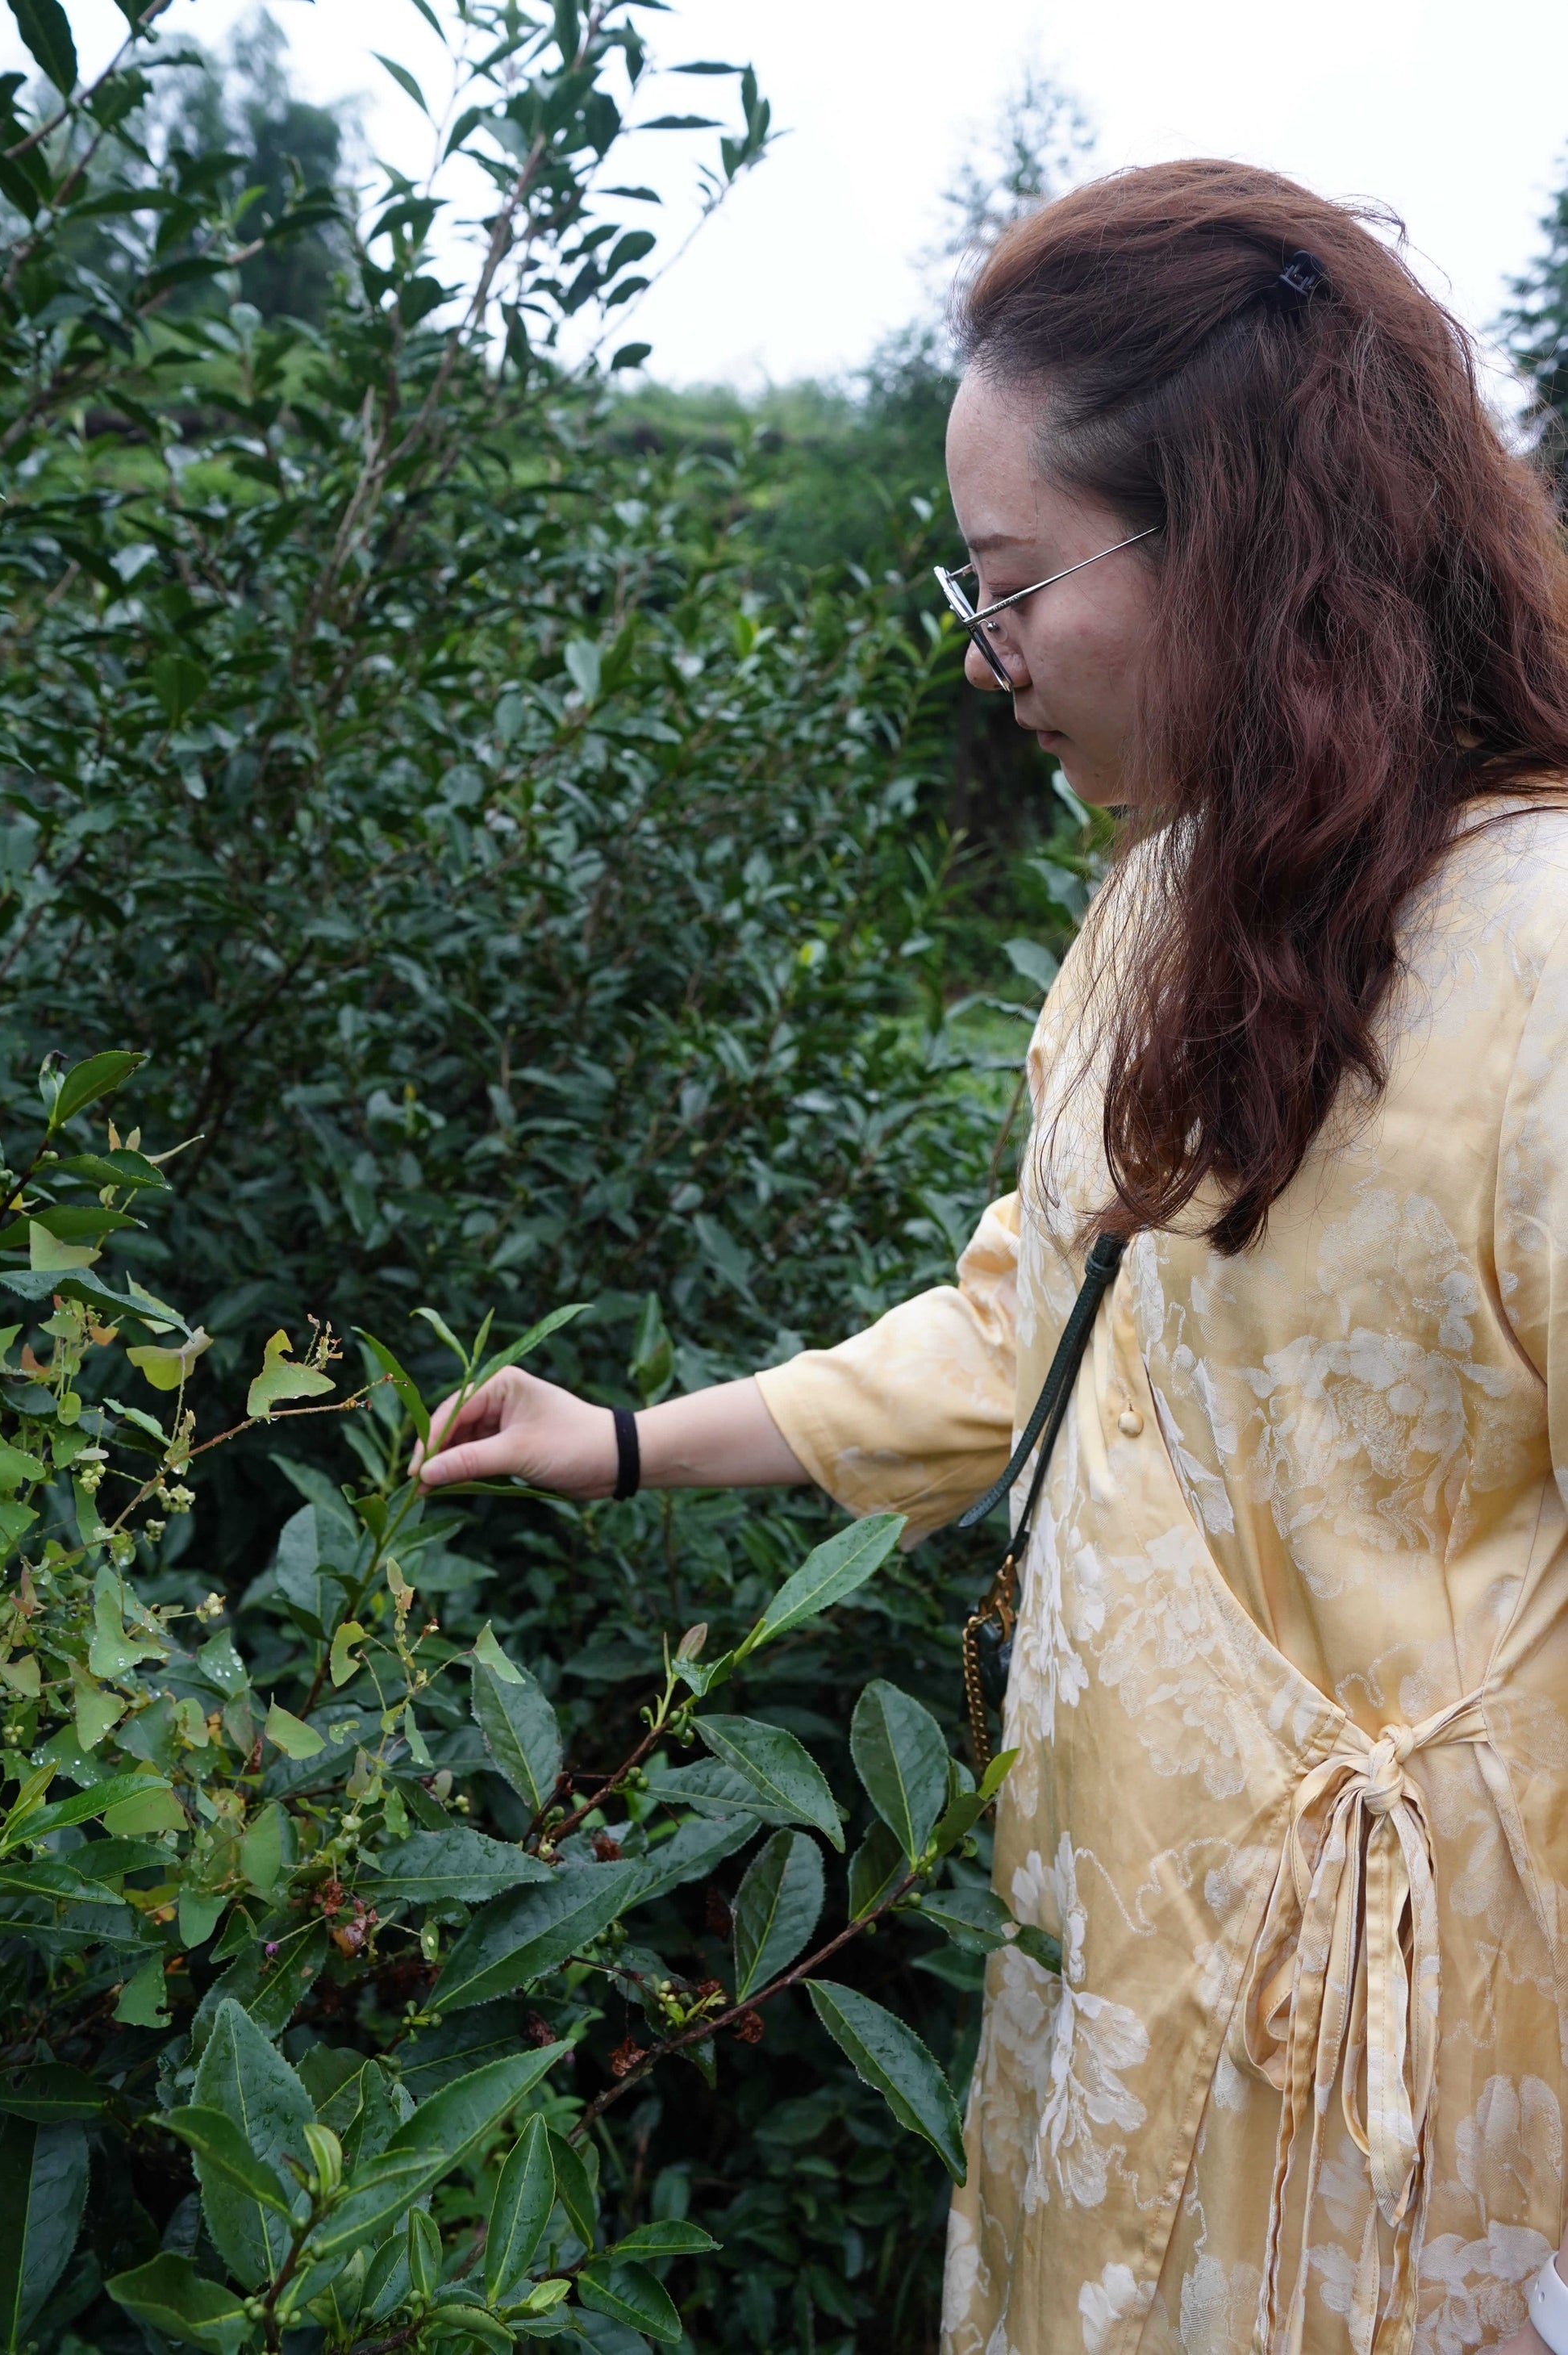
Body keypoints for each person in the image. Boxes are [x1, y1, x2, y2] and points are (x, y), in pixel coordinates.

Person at [414, 160, 1568, 2355]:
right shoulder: (1163, 910)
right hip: (1119, 1947)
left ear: (1227, 543)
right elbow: (1033, 1331)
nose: (985, 649)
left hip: (1425, 2065)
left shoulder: (1545, 963)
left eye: (1012, 581)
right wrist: (632, 1441)